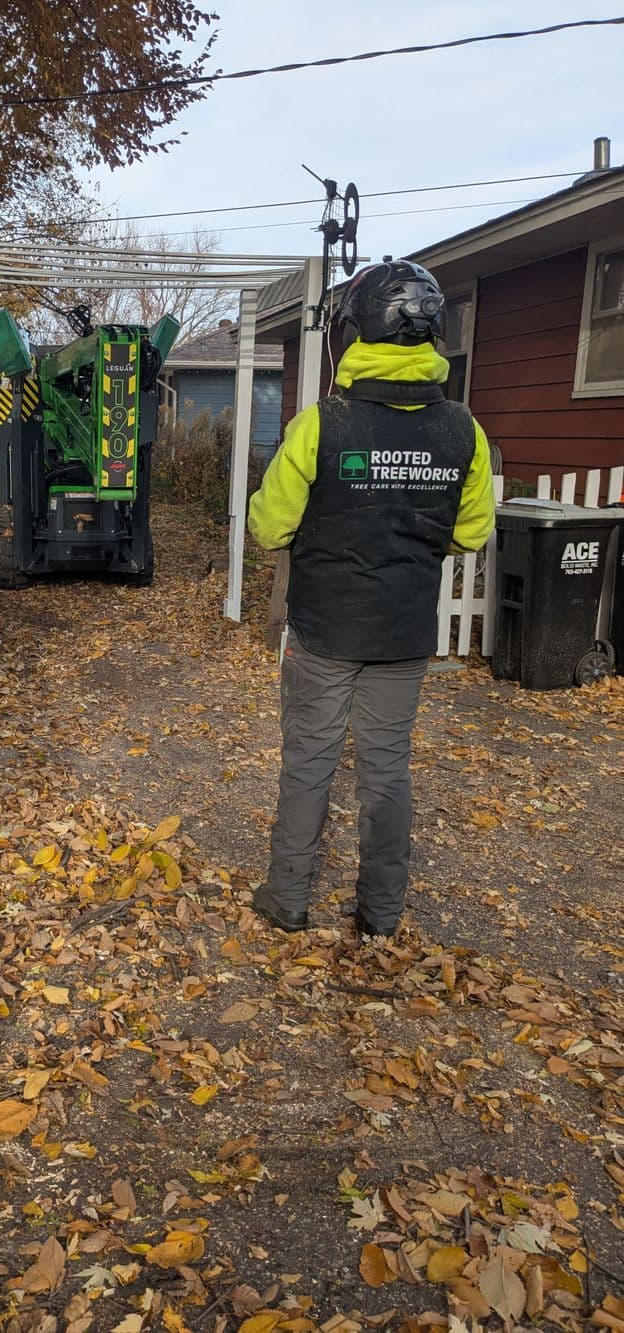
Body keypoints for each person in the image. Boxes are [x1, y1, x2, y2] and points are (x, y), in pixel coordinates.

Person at [247, 260, 496, 939]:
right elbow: (472, 531)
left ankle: (288, 898)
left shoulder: (321, 424)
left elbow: (269, 525)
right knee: (387, 773)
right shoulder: (463, 431)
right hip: (404, 633)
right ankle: (381, 911)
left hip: (324, 630)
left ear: (357, 329)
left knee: (310, 764)